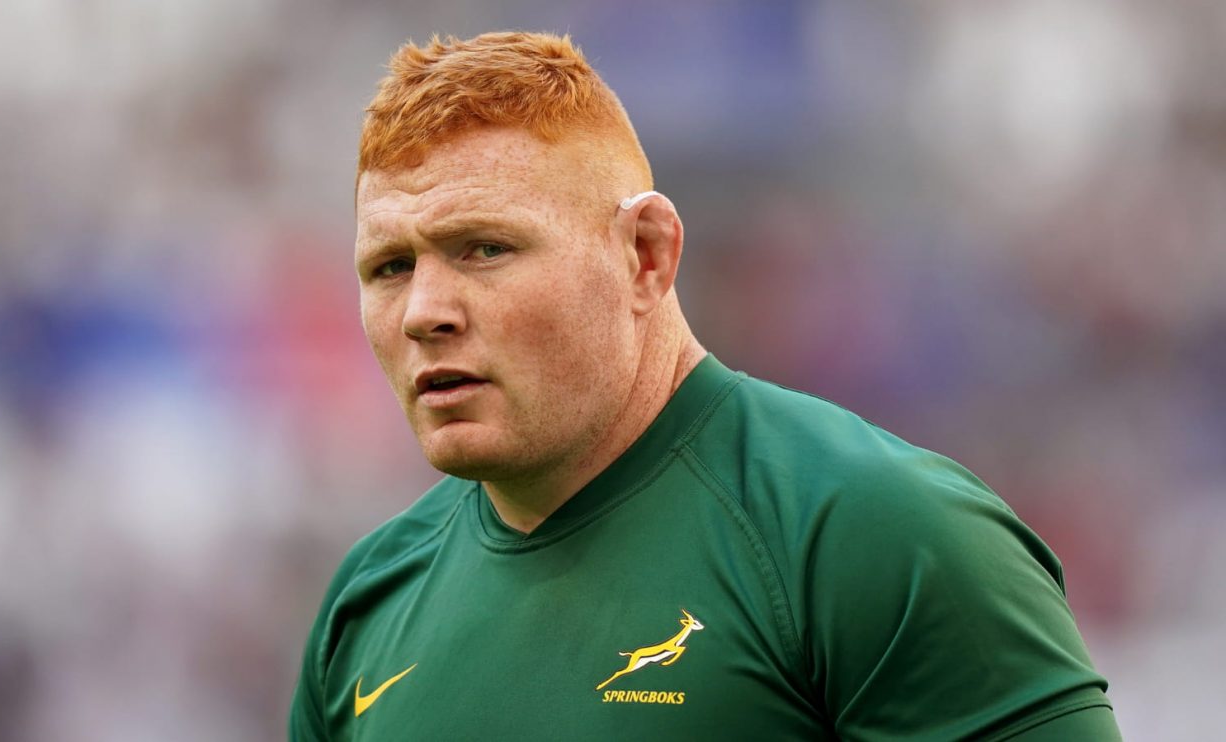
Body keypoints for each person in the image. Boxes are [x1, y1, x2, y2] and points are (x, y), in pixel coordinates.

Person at [289, 31, 1120, 740]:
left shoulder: (879, 537)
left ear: (645, 255)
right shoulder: (369, 603)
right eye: (390, 267)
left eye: (485, 249)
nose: (423, 312)